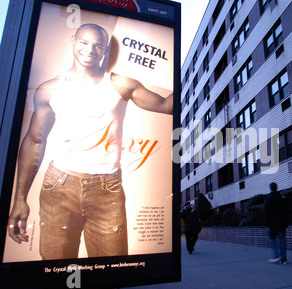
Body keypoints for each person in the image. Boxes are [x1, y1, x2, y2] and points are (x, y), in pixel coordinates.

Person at [7, 23, 173, 259]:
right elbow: (34, 141)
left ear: (105, 51)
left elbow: (166, 105)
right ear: (73, 42)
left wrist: (198, 70)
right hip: (59, 185)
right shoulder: (49, 89)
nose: (89, 49)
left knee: (113, 269)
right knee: (55, 271)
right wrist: (19, 199)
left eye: (98, 45)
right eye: (84, 42)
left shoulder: (120, 84)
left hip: (108, 188)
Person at [264, 182, 288, 264]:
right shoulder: (282, 197)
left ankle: (276, 255)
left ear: (270, 188)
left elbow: (267, 211)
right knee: (282, 240)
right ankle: (284, 259)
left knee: (271, 238)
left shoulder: (269, 198)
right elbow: (286, 209)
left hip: (273, 223)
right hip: (282, 222)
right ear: (276, 188)